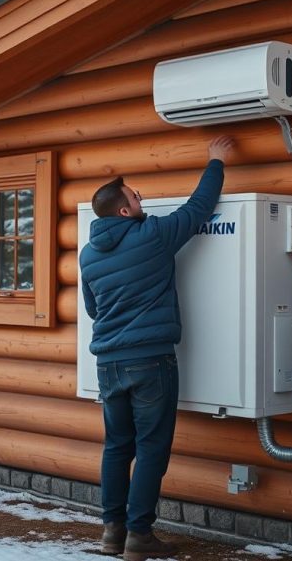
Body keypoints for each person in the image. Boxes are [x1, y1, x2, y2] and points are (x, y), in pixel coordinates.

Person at [80, 135, 235, 561]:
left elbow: (94, 308)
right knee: (151, 448)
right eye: (134, 193)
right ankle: (139, 536)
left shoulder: (88, 254)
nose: (141, 194)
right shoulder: (152, 235)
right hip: (150, 360)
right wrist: (216, 162)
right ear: (125, 209)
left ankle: (112, 532)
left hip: (108, 365)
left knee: (117, 446)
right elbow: (198, 208)